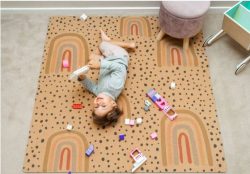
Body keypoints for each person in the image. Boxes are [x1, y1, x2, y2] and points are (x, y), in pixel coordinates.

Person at [77, 29, 135, 126]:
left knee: (91, 58)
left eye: (96, 107)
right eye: (103, 105)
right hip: (119, 57)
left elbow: (91, 87)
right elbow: (120, 68)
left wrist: (82, 79)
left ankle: (108, 45)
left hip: (107, 60)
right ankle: (129, 45)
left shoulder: (99, 93)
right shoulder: (115, 86)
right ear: (113, 104)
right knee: (102, 45)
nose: (98, 103)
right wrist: (100, 65)